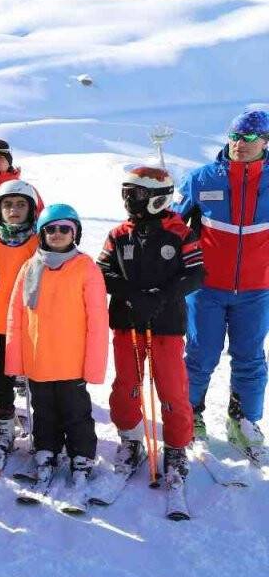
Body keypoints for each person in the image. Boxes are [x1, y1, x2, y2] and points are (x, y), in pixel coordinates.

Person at [99, 165, 203, 487]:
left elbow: (196, 273)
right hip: (127, 323)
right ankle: (131, 439)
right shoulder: (118, 234)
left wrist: (159, 297)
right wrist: (131, 294)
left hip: (166, 324)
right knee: (127, 385)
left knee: (172, 389)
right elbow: (103, 271)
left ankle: (175, 447)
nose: (130, 201)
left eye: (137, 195)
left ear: (158, 198)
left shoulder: (179, 232)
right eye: (127, 193)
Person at [175, 110, 269, 454]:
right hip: (206, 288)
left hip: (257, 290)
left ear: (265, 142)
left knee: (249, 356)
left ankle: (243, 418)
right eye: (234, 136)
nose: (239, 144)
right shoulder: (201, 180)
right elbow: (172, 228)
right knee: (200, 354)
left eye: (248, 138)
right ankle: (190, 413)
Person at [6, 203, 108, 489]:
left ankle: (81, 456)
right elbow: (16, 315)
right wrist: (16, 361)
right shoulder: (30, 266)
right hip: (39, 359)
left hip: (72, 362)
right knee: (44, 411)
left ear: (75, 233)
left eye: (65, 229)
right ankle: (45, 450)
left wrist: (93, 366)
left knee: (76, 414)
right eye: (51, 229)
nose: (58, 234)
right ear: (42, 233)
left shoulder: (85, 267)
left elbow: (98, 321)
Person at [0, 179, 42, 456]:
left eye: (20, 205)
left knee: (36, 378)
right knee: (2, 379)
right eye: (7, 205)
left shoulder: (39, 240)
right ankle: (3, 427)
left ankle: (45, 431)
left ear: (31, 209)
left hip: (29, 322)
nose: (14, 210)